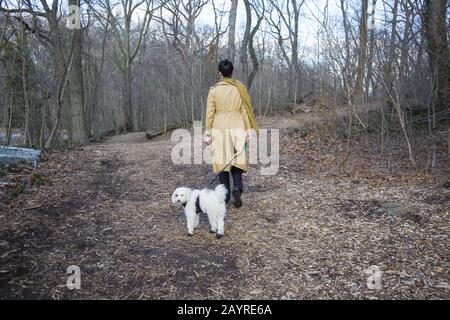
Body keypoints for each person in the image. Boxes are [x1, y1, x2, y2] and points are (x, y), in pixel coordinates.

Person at [203, 59, 259, 208]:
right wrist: (248, 131)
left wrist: (207, 133)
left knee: (222, 161)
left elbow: (210, 113)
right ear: (232, 72)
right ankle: (237, 188)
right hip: (238, 124)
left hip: (219, 126)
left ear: (220, 73)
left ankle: (226, 196)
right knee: (237, 157)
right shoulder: (240, 88)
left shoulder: (213, 90)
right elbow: (244, 111)